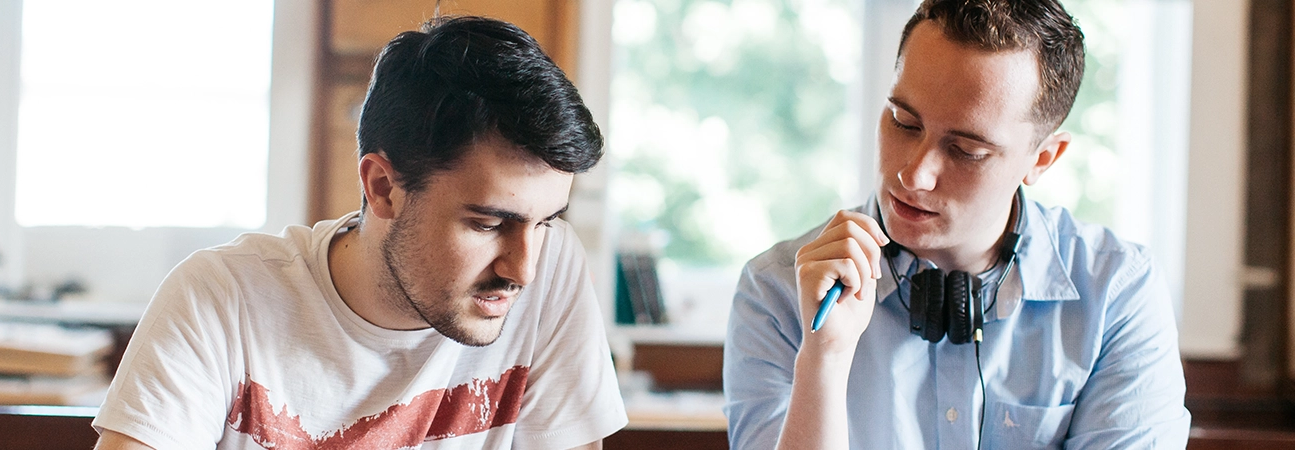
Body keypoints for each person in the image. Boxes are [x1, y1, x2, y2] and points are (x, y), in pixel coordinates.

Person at [92, 16, 626, 450]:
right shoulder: (221, 299)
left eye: (547, 221)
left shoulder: (552, 270)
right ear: (383, 187)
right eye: (487, 223)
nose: (522, 269)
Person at [723, 0, 1191, 448]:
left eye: (966, 150)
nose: (913, 174)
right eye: (904, 122)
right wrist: (823, 358)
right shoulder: (777, 291)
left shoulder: (1116, 293)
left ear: (1042, 159)